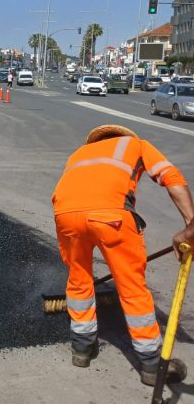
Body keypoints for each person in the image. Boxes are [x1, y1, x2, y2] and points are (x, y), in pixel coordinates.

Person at [52, 124, 194, 385]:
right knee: (132, 288)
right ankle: (151, 364)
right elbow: (170, 177)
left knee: (79, 280)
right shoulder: (136, 145)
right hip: (111, 217)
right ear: (124, 136)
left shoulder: (79, 153)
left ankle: (82, 349)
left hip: (66, 216)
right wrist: (190, 224)